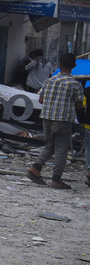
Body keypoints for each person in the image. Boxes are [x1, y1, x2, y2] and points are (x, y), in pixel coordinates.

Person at [26, 52, 86, 190]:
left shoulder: (49, 80)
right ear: (74, 66)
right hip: (63, 120)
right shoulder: (75, 84)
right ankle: (56, 180)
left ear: (59, 65)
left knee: (49, 146)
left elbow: (41, 99)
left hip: (47, 118)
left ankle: (35, 169)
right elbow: (79, 105)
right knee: (61, 150)